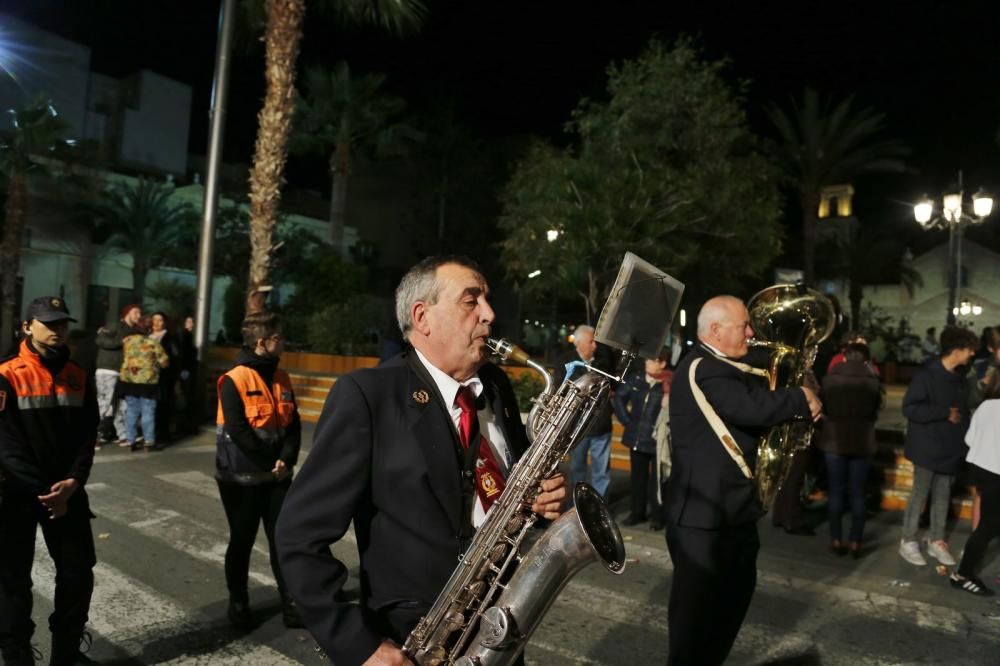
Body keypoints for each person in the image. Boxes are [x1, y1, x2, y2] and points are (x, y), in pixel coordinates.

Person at [275, 256, 565, 665]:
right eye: (471, 301)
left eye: (487, 299)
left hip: (499, 628)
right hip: (413, 642)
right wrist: (358, 645)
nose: (489, 314)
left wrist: (541, 502)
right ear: (422, 316)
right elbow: (298, 536)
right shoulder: (367, 395)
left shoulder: (496, 386)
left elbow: (509, 489)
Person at [665, 295, 821, 666]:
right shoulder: (704, 367)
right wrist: (799, 396)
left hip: (732, 512)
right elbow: (749, 408)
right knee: (695, 624)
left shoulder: (724, 366)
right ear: (716, 331)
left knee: (729, 605)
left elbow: (753, 389)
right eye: (744, 326)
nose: (752, 333)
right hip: (702, 519)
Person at [0, 297, 99, 666]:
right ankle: (16, 655)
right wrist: (47, 492)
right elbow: (6, 447)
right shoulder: (7, 374)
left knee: (77, 573)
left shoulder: (78, 374)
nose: (57, 329)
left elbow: (87, 437)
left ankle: (67, 653)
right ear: (27, 326)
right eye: (47, 323)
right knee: (12, 580)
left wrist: (73, 481)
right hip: (18, 494)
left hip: (68, 493)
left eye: (61, 323)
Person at [216, 311, 303, 629]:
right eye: (279, 338)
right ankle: (238, 603)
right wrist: (272, 461)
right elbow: (239, 431)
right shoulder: (233, 379)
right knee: (242, 540)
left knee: (284, 540)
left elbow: (293, 423)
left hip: (278, 476)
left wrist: (287, 458)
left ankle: (291, 603)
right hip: (241, 478)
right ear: (263, 343)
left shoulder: (282, 377)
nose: (284, 343)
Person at [898, 325, 979, 567]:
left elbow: (964, 410)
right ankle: (908, 540)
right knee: (920, 494)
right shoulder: (927, 375)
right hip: (927, 447)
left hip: (950, 447)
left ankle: (936, 540)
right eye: (969, 350)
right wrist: (943, 413)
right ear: (956, 350)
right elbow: (910, 408)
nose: (972, 354)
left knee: (943, 496)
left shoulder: (961, 377)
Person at [816, 342, 882, 557]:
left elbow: (822, 408)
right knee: (858, 495)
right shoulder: (873, 382)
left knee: (835, 492)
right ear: (865, 360)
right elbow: (875, 411)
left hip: (834, 441)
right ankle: (855, 541)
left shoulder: (829, 380)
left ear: (844, 357)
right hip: (863, 442)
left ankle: (836, 539)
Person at [950, 369, 1000, 596]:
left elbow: (970, 438)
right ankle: (962, 574)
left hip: (981, 470)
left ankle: (963, 572)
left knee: (987, 525)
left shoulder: (985, 406)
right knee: (987, 527)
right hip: (996, 473)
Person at [554, 325, 615, 499]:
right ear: (578, 344)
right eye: (591, 342)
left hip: (602, 427)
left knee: (601, 473)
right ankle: (577, 506)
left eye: (595, 342)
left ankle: (598, 507)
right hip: (578, 428)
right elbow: (562, 390)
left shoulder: (603, 362)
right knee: (577, 469)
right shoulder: (566, 363)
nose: (595, 346)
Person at [614, 350, 672, 530]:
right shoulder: (637, 379)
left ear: (662, 364)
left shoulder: (670, 382)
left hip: (657, 441)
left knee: (658, 481)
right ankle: (636, 513)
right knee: (637, 480)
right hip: (637, 439)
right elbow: (618, 398)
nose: (647, 362)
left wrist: (670, 400)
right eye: (647, 359)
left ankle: (657, 517)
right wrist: (627, 421)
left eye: (652, 360)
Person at [118, 318, 169, 452]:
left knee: (131, 412)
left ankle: (131, 440)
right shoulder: (153, 343)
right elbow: (164, 361)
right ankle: (149, 441)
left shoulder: (128, 342)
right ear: (149, 329)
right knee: (148, 412)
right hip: (148, 383)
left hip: (129, 381)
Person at [94, 303, 141, 447]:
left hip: (123, 373)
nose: (138, 316)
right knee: (104, 404)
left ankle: (123, 435)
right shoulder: (115, 325)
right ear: (127, 313)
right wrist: (120, 342)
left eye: (139, 313)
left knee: (121, 405)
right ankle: (92, 436)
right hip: (107, 370)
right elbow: (100, 340)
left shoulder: (134, 331)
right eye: (136, 312)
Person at [150, 312, 180, 444]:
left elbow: (176, 358)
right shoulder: (146, 337)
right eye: (154, 319)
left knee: (163, 405)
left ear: (164, 323)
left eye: (159, 320)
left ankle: (162, 435)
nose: (156, 322)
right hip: (147, 377)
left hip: (164, 377)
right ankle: (149, 434)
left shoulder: (170, 338)